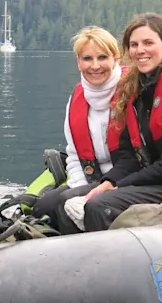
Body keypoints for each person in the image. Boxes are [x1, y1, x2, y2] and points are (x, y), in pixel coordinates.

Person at [53, 14, 162, 234]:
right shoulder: (137, 87)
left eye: (148, 43)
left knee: (98, 206)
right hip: (153, 177)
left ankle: (110, 263)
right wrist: (109, 181)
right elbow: (129, 155)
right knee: (63, 204)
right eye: (134, 45)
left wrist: (119, 185)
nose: (140, 50)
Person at [29, 26, 124, 231]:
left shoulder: (130, 90)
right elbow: (73, 155)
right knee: (42, 208)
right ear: (79, 62)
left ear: (116, 58)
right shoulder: (77, 98)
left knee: (66, 203)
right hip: (91, 178)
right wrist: (80, 187)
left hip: (124, 179)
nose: (95, 66)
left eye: (103, 57)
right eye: (87, 58)